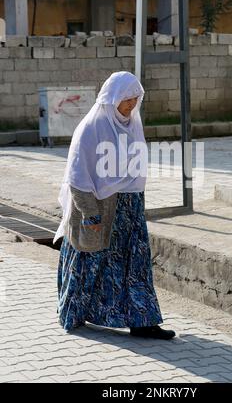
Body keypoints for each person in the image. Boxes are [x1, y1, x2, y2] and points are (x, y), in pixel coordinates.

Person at [53, 71, 176, 340]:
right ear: (112, 99)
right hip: (98, 209)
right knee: (89, 264)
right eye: (127, 99)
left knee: (136, 265)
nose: (131, 105)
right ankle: (73, 312)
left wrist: (137, 204)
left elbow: (136, 170)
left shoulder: (133, 125)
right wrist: (90, 213)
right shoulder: (91, 128)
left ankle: (143, 322)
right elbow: (77, 177)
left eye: (136, 98)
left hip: (129, 210)